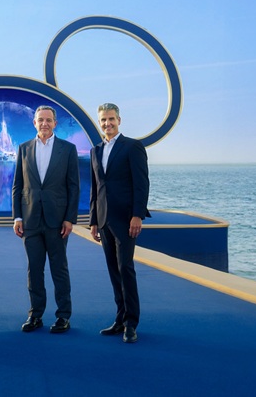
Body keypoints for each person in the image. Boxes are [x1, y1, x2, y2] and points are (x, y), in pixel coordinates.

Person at [12, 105, 80, 334]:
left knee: (59, 270)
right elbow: (17, 186)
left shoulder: (68, 149)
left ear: (55, 123)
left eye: (49, 120)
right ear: (34, 123)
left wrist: (69, 218)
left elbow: (73, 187)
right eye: (40, 120)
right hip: (30, 220)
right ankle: (35, 315)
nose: (44, 124)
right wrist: (17, 216)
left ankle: (63, 316)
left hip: (57, 221)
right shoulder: (23, 148)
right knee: (34, 270)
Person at [88, 103, 151, 343]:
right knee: (114, 271)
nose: (108, 123)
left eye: (111, 119)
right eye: (103, 120)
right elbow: (96, 188)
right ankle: (120, 318)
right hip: (104, 219)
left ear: (119, 120)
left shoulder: (132, 147)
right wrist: (93, 220)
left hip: (126, 219)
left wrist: (137, 215)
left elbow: (141, 184)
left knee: (126, 268)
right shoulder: (95, 150)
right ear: (99, 123)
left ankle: (131, 323)